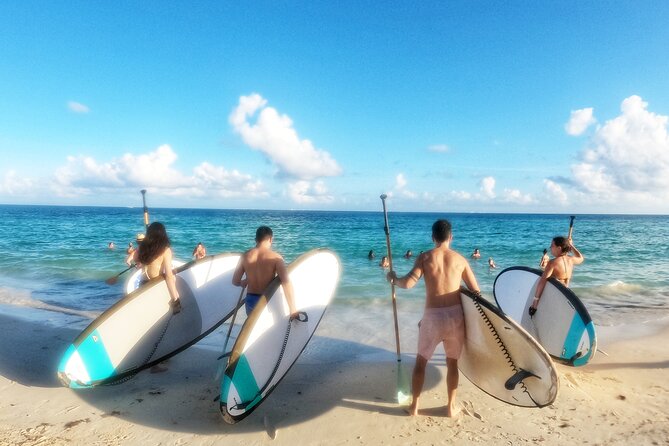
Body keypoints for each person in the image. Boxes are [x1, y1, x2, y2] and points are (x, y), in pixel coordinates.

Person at [386, 219, 481, 418]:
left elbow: (408, 284)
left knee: (421, 363)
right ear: (451, 237)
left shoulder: (425, 257)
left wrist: (394, 279)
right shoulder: (461, 260)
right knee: (452, 363)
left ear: (432, 237)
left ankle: (414, 407)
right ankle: (450, 407)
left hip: (432, 318)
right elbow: (476, 292)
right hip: (455, 317)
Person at [232, 226, 298, 318]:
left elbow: (235, 281)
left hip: (251, 300)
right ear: (271, 239)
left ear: (256, 239)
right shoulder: (276, 258)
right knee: (272, 330)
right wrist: (292, 308)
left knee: (254, 331)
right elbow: (286, 282)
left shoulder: (245, 256)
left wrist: (244, 282)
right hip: (268, 300)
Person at [530, 236, 584, 316]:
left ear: (559, 248)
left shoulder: (552, 263)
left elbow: (542, 282)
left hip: (555, 295)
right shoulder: (571, 260)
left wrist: (535, 302)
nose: (550, 247)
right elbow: (581, 258)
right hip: (566, 295)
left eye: (552, 246)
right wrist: (571, 245)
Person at [133, 222, 181, 314]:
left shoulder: (142, 247)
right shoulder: (165, 250)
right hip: (155, 285)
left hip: (142, 284)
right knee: (173, 278)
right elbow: (168, 276)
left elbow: (135, 259)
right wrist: (175, 299)